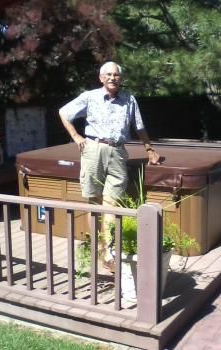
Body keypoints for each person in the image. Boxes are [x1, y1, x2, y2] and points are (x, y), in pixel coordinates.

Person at [59, 61, 160, 270]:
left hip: (118, 152)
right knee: (94, 202)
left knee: (111, 203)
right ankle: (100, 249)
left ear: (121, 78)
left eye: (116, 75)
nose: (113, 78)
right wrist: (76, 136)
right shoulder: (90, 97)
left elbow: (139, 127)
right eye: (109, 75)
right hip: (93, 149)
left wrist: (149, 150)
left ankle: (107, 250)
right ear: (101, 78)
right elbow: (64, 112)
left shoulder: (129, 100)